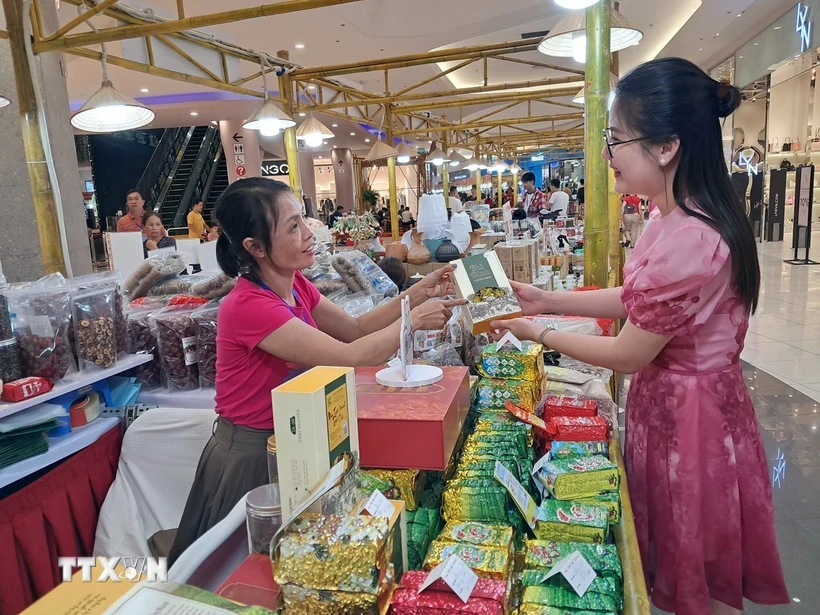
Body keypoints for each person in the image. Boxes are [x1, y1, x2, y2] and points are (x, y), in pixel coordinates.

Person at [487, 58, 787, 615]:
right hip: (675, 404)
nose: (608, 155)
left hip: (692, 420)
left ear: (666, 146)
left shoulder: (690, 237)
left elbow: (627, 351)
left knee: (691, 552)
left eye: (617, 139)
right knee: (674, 548)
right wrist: (551, 299)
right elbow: (638, 303)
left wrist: (541, 331)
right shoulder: (670, 215)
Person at [169, 178, 463, 564]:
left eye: (303, 219)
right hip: (252, 454)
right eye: (292, 226)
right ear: (254, 248)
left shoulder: (297, 286)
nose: (309, 234)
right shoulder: (249, 305)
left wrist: (418, 292)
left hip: (295, 439)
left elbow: (357, 328)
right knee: (243, 572)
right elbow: (352, 356)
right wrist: (414, 321)